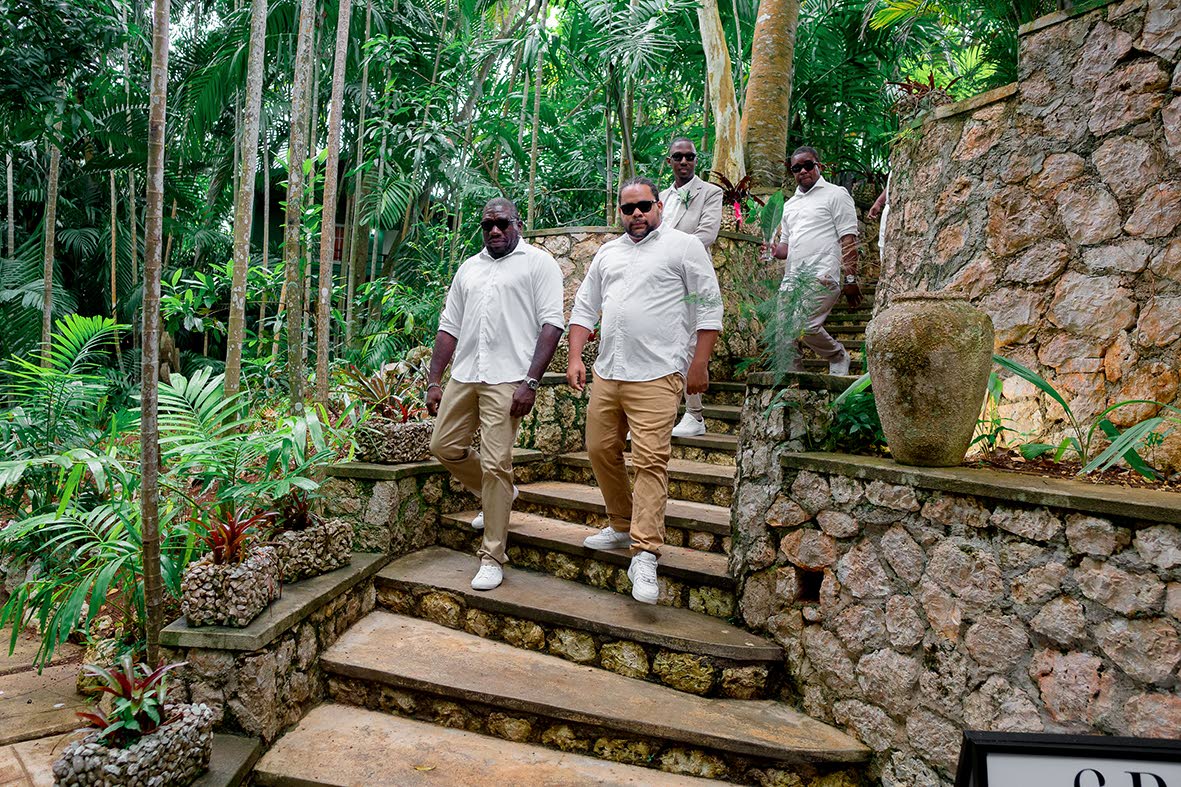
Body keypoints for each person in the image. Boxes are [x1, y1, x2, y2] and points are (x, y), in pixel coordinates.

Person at [567, 177, 723, 604]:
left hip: (657, 373)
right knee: (600, 450)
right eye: (628, 208)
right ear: (619, 211)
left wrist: (699, 362)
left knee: (651, 461)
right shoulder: (608, 253)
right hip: (609, 372)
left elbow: (708, 305)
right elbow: (584, 307)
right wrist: (576, 356)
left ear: (659, 206)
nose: (636, 214)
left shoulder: (684, 247)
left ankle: (645, 552)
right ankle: (621, 525)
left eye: (644, 206)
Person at [427, 198, 565, 591]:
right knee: (443, 446)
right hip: (466, 373)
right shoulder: (469, 268)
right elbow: (449, 326)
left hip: (508, 377)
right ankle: (502, 495)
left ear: (517, 223)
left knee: (496, 462)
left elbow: (552, 325)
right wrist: (435, 381)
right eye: (487, 225)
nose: (494, 231)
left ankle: (492, 555)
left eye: (502, 223)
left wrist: (531, 381)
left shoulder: (538, 264)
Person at [771, 146, 863, 375]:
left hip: (822, 275)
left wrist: (850, 278)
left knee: (804, 325)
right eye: (796, 167)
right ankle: (794, 383)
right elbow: (786, 247)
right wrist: (773, 250)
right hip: (792, 280)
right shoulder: (790, 204)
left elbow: (848, 238)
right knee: (783, 335)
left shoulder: (836, 194)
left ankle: (837, 355)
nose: (803, 170)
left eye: (808, 165)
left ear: (818, 166)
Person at [659, 137, 724, 439]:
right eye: (678, 157)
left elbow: (706, 235)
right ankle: (660, 413)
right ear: (669, 161)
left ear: (696, 160)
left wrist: (669, 252)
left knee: (689, 345)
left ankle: (695, 415)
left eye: (690, 157)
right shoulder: (660, 196)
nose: (684, 162)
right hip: (661, 279)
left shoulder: (710, 192)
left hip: (692, 276)